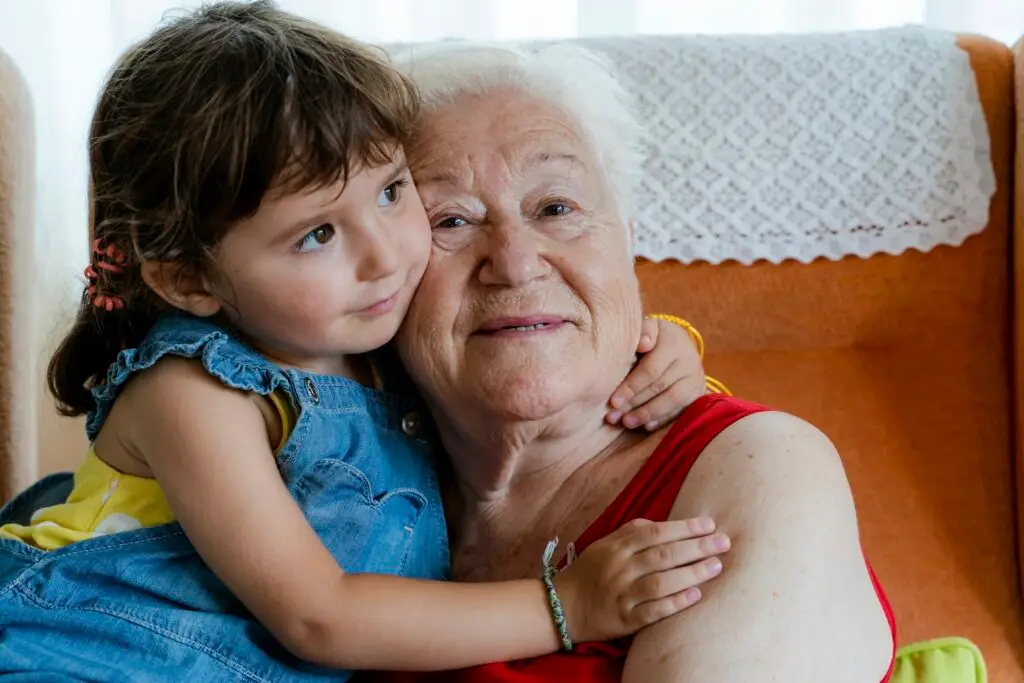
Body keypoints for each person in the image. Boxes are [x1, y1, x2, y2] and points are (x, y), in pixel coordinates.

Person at [0, 4, 728, 681]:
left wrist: (662, 347)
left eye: (390, 191)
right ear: (189, 278)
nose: (385, 254)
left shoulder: (371, 328)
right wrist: (567, 603)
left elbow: (523, 345)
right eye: (317, 234)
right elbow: (319, 614)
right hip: (72, 657)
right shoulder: (190, 394)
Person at [381, 41, 898, 682]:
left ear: (627, 236)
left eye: (556, 208)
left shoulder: (761, 467)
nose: (514, 261)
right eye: (450, 220)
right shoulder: (338, 488)